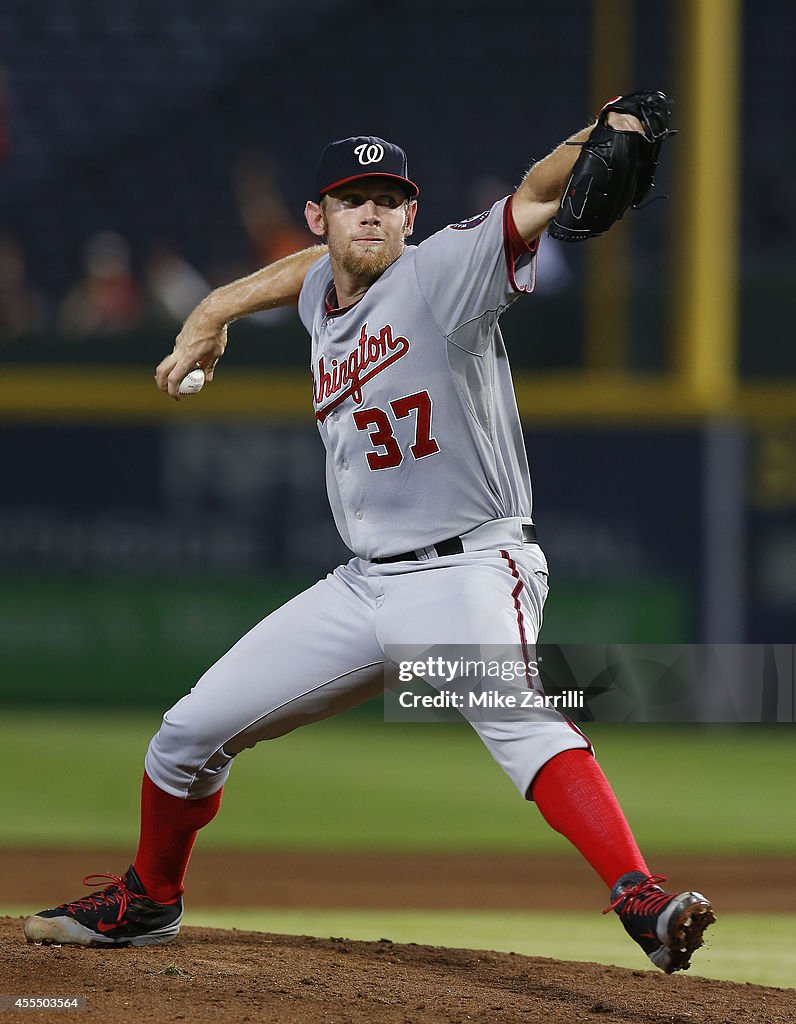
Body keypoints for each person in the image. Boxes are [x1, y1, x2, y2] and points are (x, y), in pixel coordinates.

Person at [24, 109, 715, 974]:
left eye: (389, 199)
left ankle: (640, 899)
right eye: (353, 200)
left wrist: (595, 132)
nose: (372, 214)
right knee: (185, 736)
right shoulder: (324, 285)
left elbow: (537, 195)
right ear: (319, 215)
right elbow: (307, 276)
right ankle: (151, 898)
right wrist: (216, 305)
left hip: (467, 567)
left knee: (519, 720)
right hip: (361, 588)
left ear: (412, 216)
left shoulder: (444, 273)